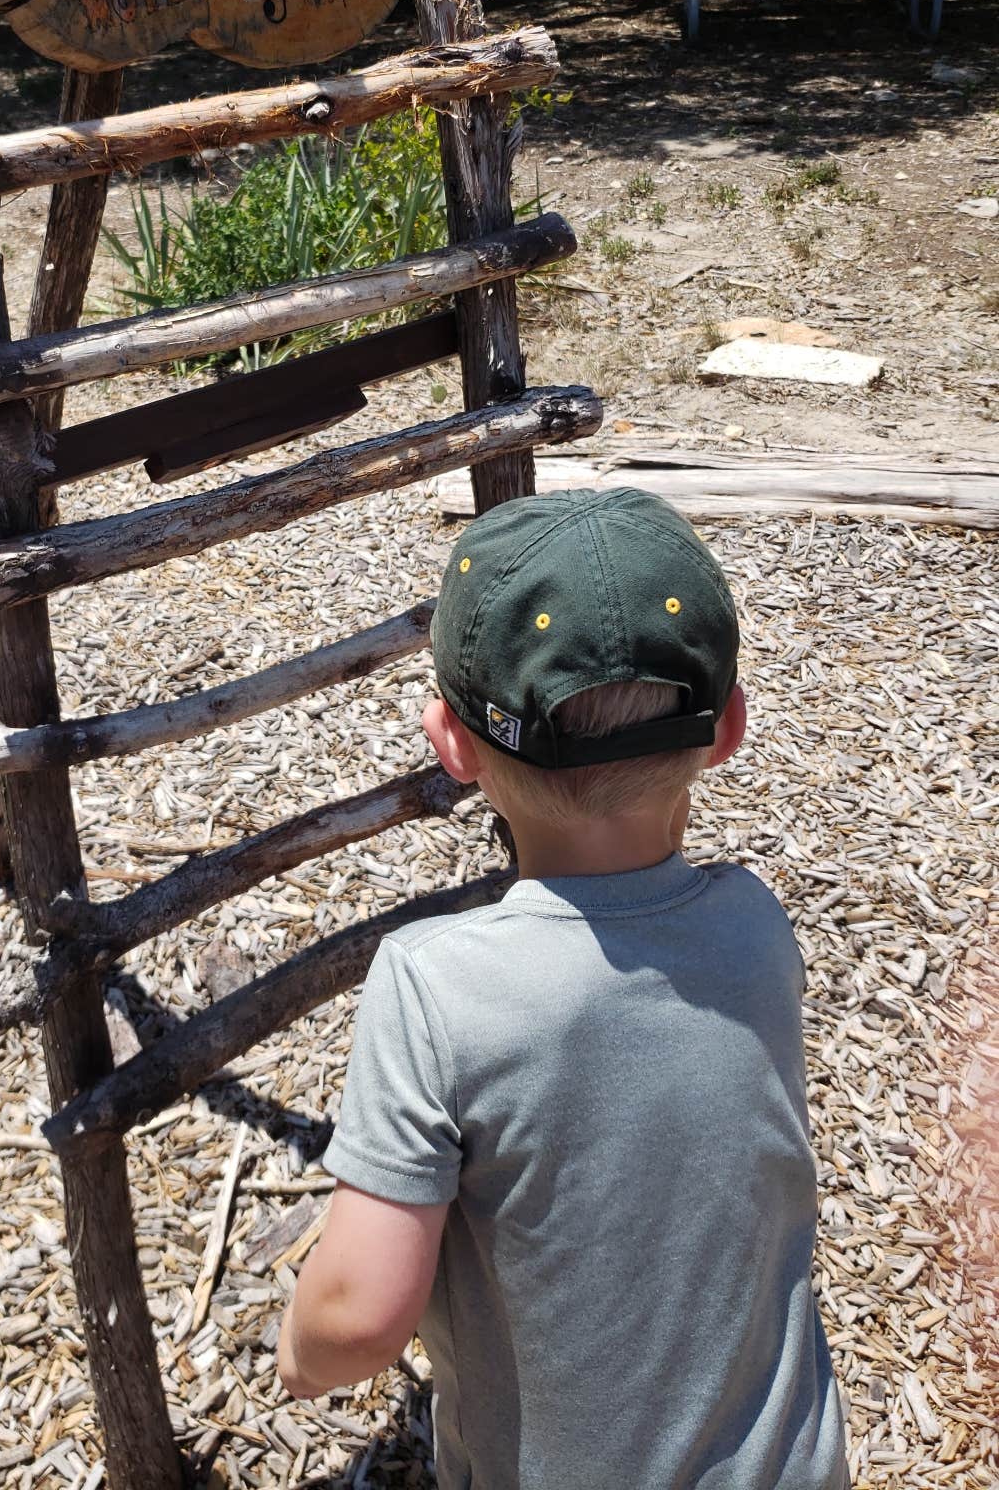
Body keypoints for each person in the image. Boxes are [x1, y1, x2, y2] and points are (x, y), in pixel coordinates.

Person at [276, 488, 848, 1490]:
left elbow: (362, 1315)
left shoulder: (436, 987)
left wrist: (299, 1350)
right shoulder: (756, 930)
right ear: (730, 729)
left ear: (451, 746)